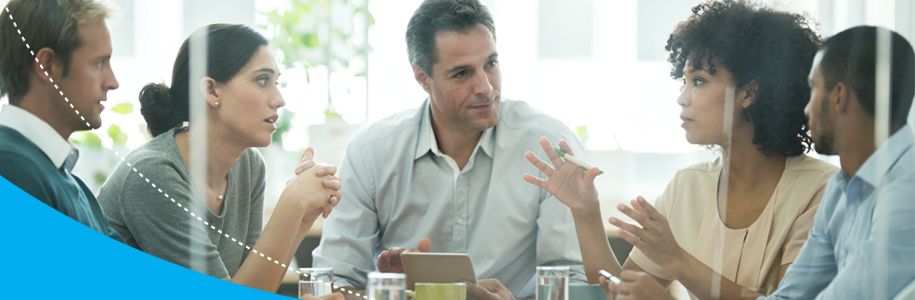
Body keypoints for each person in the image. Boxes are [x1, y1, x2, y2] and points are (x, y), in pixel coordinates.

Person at [524, 1, 836, 299]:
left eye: (698, 82)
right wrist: (586, 212)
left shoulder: (820, 191)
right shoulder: (687, 185)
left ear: (749, 93)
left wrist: (677, 261)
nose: (682, 98)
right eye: (684, 82)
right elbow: (622, 294)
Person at [312, 0, 585, 298]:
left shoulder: (548, 145)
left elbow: (573, 282)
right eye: (462, 73)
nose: (485, 87)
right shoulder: (370, 153)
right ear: (422, 78)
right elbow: (337, 279)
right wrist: (391, 292)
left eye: (490, 64)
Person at [97, 24, 342, 298]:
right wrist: (291, 204)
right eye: (262, 80)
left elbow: (254, 284)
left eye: (277, 82)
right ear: (212, 91)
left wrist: (304, 215)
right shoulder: (153, 174)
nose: (279, 99)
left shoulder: (249, 165)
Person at [761, 25, 915, 300]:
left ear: (838, 96)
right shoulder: (840, 188)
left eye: (812, 89)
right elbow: (791, 297)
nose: (806, 109)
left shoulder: (908, 189)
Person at [0, 0, 120, 239]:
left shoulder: (68, 181)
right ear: (46, 65)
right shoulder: (12, 167)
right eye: (98, 63)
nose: (113, 82)